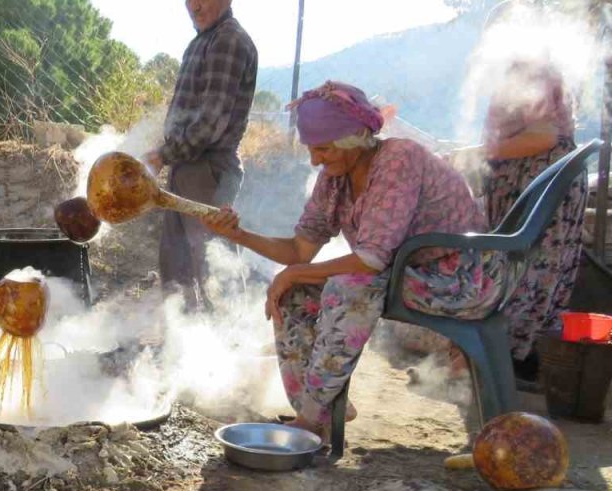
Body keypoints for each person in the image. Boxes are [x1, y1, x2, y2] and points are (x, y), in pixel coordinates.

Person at [202, 81, 505, 440]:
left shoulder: (399, 160)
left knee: (349, 286)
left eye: (324, 149)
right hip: (408, 274)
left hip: (465, 276)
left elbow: (371, 260)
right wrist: (239, 234)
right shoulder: (334, 178)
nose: (316, 160)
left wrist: (298, 271)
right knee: (294, 290)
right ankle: (320, 410)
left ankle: (311, 419)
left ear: (355, 138)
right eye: (312, 150)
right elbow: (300, 252)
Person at [454, 58, 587, 385]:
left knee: (528, 271)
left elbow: (543, 135)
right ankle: (514, 359)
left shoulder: (535, 72)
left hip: (538, 183)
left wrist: (476, 153)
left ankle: (512, 358)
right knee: (523, 270)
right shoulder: (527, 71)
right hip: (529, 183)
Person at [144, 0, 257, 310]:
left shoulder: (227, 41)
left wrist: (164, 154)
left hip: (208, 168)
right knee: (176, 262)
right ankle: (185, 342)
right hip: (188, 165)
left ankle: (229, 342)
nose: (194, 4)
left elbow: (211, 121)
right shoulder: (203, 40)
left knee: (212, 265)